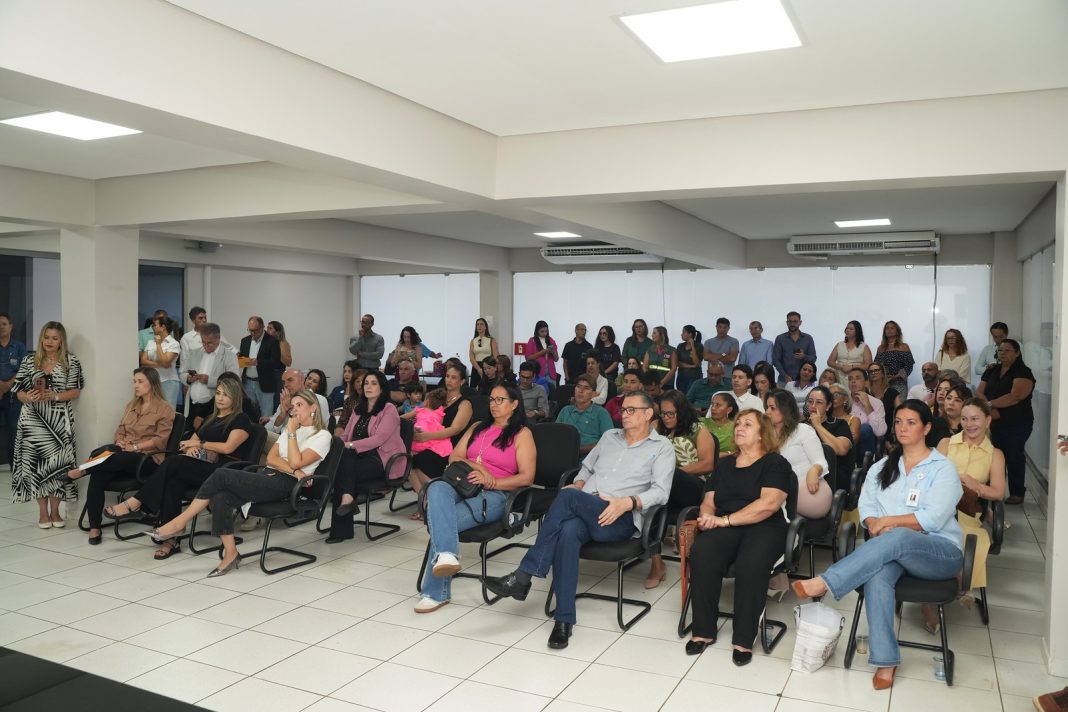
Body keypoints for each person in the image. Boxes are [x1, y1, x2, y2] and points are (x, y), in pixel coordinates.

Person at [792, 400, 963, 691]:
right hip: (890, 550)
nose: (902, 428)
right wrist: (874, 523)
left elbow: (933, 519)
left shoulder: (942, 468)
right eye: (899, 422)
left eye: (911, 422)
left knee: (897, 536)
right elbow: (867, 507)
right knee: (878, 573)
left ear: (926, 428)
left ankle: (825, 582)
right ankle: (886, 660)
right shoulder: (882, 467)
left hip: (938, 553)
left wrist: (888, 523)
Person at [484, 390, 674, 649]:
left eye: (631, 410)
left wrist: (627, 502)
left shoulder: (661, 447)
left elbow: (661, 492)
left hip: (619, 516)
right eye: (623, 409)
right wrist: (581, 483)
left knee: (567, 497)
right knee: (568, 530)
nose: (624, 415)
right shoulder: (609, 437)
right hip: (585, 508)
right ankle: (563, 620)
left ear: (648, 414)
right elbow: (586, 468)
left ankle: (523, 576)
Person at [150, 389, 332, 577]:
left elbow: (295, 461)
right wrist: (295, 468)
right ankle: (231, 553)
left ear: (313, 408)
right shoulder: (290, 430)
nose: (294, 410)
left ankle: (179, 522)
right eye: (292, 406)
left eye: (299, 405)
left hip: (289, 485)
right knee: (221, 496)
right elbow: (271, 459)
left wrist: (292, 436)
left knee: (221, 474)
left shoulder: (322, 436)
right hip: (271, 475)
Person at [94, 377, 254, 558]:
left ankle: (138, 502)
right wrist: (191, 447)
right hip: (202, 466)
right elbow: (190, 442)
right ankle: (172, 540)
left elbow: (228, 448)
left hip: (224, 471)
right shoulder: (210, 419)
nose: (220, 398)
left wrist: (199, 444)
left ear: (235, 398)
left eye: (226, 395)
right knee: (173, 481)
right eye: (218, 393)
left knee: (174, 462)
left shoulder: (241, 419)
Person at [685, 409, 792, 666]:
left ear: (762, 434)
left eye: (747, 424)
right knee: (702, 553)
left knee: (751, 563)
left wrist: (724, 520)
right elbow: (709, 500)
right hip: (726, 524)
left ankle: (743, 638)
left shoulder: (775, 463)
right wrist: (707, 517)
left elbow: (768, 505)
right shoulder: (725, 465)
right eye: (738, 424)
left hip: (765, 526)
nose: (739, 428)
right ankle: (703, 630)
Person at [417, 383, 536, 612]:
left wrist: (492, 481)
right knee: (437, 487)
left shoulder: (522, 434)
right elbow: (454, 457)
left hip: (497, 493)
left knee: (443, 520)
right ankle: (447, 555)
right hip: (463, 484)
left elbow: (527, 477)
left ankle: (435, 593)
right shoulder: (478, 427)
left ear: (514, 404)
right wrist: (479, 469)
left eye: (500, 400)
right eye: (491, 399)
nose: (494, 404)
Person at [53, 368, 174, 545]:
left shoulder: (164, 408)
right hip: (123, 457)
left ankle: (81, 470)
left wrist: (134, 447)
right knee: (99, 471)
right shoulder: (132, 405)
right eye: (134, 381)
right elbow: (120, 430)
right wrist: (120, 442)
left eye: (140, 381)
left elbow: (160, 440)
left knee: (120, 457)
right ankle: (95, 527)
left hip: (148, 460)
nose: (136, 385)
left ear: (152, 383)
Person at [918, 397, 1005, 634]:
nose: (969, 424)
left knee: (968, 538)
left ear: (987, 421)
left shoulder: (995, 454)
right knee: (930, 534)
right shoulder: (947, 443)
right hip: (938, 507)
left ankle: (954, 586)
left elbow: (998, 492)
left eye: (975, 419)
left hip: (967, 511)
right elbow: (928, 474)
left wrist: (977, 486)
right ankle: (928, 600)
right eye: (965, 419)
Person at [11, 322, 83, 528]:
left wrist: (55, 396)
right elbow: (18, 391)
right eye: (46, 337)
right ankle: (43, 513)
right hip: (32, 420)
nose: (49, 341)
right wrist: (27, 397)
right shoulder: (29, 360)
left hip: (58, 421)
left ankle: (56, 512)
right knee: (35, 466)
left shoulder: (71, 361)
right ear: (41, 338)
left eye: (55, 338)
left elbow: (76, 390)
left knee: (58, 466)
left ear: (61, 341)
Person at [644, 389, 716, 588]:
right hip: (662, 488)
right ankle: (657, 564)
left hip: (692, 486)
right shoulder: (656, 427)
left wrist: (671, 472)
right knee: (652, 505)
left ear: (682, 411)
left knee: (668, 478)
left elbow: (708, 464)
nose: (666, 418)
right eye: (663, 413)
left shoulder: (698, 429)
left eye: (671, 413)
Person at [326, 370, 407, 543]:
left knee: (342, 469)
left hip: (382, 459)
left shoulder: (389, 409)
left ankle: (341, 530)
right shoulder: (358, 409)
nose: (368, 387)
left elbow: (379, 439)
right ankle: (348, 499)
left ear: (382, 387)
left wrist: (350, 445)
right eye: (366, 383)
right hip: (356, 457)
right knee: (343, 460)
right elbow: (346, 435)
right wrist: (335, 443)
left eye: (374, 383)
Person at [976, 338, 1035, 504]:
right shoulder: (992, 370)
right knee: (993, 456)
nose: (1003, 354)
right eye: (1000, 350)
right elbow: (979, 392)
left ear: (1017, 353)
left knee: (1013, 455)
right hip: (993, 420)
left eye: (1007, 350)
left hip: (1017, 422)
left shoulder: (1023, 371)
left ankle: (1017, 493)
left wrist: (989, 405)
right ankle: (994, 492)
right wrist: (989, 408)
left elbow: (1015, 396)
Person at [409, 363, 474, 500]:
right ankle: (425, 502)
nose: (449, 380)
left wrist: (426, 436)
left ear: (462, 381)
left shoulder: (465, 403)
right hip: (430, 441)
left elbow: (455, 429)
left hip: (450, 446)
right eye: (447, 376)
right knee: (406, 460)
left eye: (454, 377)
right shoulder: (437, 398)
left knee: (422, 460)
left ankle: (433, 501)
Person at [764, 389, 830, 519]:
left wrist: (814, 471)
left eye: (772, 408)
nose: (767, 412)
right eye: (767, 407)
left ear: (785, 410)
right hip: (776, 490)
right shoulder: (764, 434)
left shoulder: (803, 430)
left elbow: (820, 461)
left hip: (808, 493)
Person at [183, 322, 239, 429]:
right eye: (203, 342)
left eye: (209, 343)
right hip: (191, 405)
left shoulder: (230, 356)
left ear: (218, 338)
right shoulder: (194, 353)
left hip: (213, 407)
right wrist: (188, 378)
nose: (206, 345)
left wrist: (210, 380)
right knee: (187, 434)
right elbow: (182, 373)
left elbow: (234, 382)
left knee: (207, 434)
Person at [805, 385, 855, 492]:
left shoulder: (840, 424)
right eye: (810, 401)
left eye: (819, 402)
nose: (813, 406)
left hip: (834, 481)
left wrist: (818, 426)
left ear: (828, 406)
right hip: (806, 478)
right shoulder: (802, 426)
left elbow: (841, 450)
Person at [555, 375, 614, 455]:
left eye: (586, 388)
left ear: (593, 394)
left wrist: (580, 450)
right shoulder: (565, 410)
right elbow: (556, 435)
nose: (581, 391)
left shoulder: (601, 413)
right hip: (564, 455)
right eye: (578, 387)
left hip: (591, 456)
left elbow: (609, 440)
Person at [178, 307, 235, 390]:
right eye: (200, 318)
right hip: (195, 380)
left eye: (205, 317)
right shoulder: (186, 338)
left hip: (214, 378)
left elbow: (230, 348)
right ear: (193, 320)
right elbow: (184, 360)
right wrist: (186, 380)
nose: (204, 320)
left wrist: (238, 357)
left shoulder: (215, 334)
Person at [239, 315, 282, 420]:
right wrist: (240, 359)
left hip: (265, 383)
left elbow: (276, 363)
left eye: (255, 330)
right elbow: (242, 359)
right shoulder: (245, 341)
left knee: (266, 415)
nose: (253, 333)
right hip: (247, 383)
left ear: (262, 327)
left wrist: (258, 362)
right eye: (250, 330)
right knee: (248, 413)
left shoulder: (272, 341)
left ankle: (265, 431)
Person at [0, 313, 28, 468]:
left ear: (11, 326)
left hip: (13, 395)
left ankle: (14, 465)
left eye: (4, 324)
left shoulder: (19, 347)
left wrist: (7, 385)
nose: (1, 327)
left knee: (14, 429)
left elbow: (24, 369)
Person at [140, 315, 181, 406]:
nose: (153, 327)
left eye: (155, 325)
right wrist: (161, 365)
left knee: (167, 410)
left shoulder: (174, 344)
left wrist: (158, 344)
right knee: (152, 410)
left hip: (168, 382)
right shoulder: (150, 342)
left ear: (163, 327)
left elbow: (165, 361)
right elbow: (143, 361)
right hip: (152, 381)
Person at [847, 368, 886, 456]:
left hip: (864, 448)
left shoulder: (876, 403)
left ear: (866, 382)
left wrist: (867, 405)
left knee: (865, 428)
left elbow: (880, 432)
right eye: (850, 379)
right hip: (843, 442)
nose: (853, 381)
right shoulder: (843, 400)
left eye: (857, 378)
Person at [772, 312, 817, 385]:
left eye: (795, 321)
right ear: (787, 323)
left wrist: (804, 356)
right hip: (784, 381)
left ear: (800, 322)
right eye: (790, 321)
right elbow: (776, 360)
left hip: (803, 381)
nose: (792, 324)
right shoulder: (780, 338)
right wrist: (784, 375)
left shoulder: (808, 338)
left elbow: (813, 358)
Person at [873, 320, 914, 394]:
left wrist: (897, 376)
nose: (889, 330)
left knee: (899, 401)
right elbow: (876, 366)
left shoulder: (904, 346)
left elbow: (909, 365)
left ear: (897, 331)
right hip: (883, 382)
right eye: (887, 328)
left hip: (899, 382)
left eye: (892, 328)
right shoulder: (880, 348)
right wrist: (884, 376)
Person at [828, 320, 872, 384]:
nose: (848, 330)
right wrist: (841, 367)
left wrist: (852, 367)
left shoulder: (864, 346)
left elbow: (868, 365)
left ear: (857, 331)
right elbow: (830, 361)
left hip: (856, 379)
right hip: (838, 378)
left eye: (851, 329)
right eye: (847, 328)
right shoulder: (839, 344)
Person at [410, 389, 452, 455]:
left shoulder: (421, 410)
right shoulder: (440, 413)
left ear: (427, 401)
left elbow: (404, 417)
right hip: (434, 438)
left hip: (419, 436)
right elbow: (439, 425)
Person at [867, 362, 901, 435]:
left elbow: (901, 412)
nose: (873, 373)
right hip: (869, 430)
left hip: (886, 431)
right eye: (871, 371)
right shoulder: (866, 393)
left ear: (883, 373)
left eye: (876, 370)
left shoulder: (893, 392)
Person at [700, 391, 738, 456]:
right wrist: (728, 453)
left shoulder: (736, 427)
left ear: (729, 410)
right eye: (712, 404)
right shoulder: (701, 423)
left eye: (718, 405)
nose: (713, 408)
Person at [469, 317, 500, 388]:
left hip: (488, 366)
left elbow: (496, 356)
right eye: (477, 324)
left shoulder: (491, 340)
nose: (479, 326)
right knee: (474, 389)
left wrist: (492, 368)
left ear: (485, 327)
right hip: (476, 366)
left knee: (487, 387)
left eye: (481, 324)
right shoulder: (473, 341)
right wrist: (479, 369)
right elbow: (471, 358)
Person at [675, 325, 704, 396]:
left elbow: (697, 363)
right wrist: (691, 366)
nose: (681, 334)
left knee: (690, 396)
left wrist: (692, 346)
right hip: (681, 376)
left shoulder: (699, 346)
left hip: (694, 377)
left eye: (683, 332)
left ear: (690, 334)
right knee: (681, 397)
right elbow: (677, 362)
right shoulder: (680, 346)